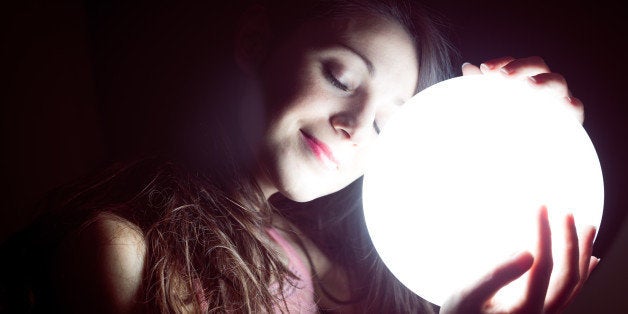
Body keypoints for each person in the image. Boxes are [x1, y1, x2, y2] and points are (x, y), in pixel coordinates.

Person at [0, 0, 596, 313]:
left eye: (391, 125)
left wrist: (534, 141)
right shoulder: (121, 250)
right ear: (255, 40)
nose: (356, 126)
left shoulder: (328, 267)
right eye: (340, 76)